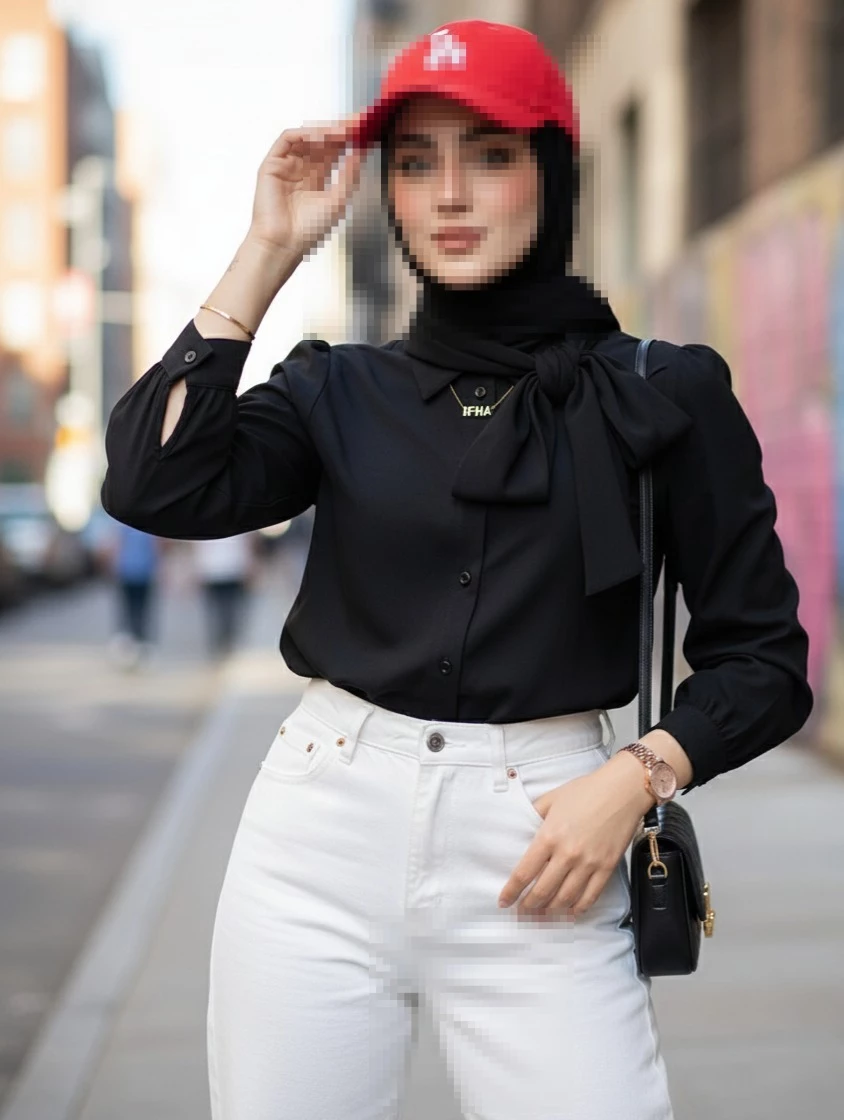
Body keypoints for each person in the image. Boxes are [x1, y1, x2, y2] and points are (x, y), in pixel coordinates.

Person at [99, 20, 813, 1120]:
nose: (449, 194)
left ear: (552, 173)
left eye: (490, 154)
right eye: (417, 161)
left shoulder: (661, 391)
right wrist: (269, 248)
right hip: (315, 843)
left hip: (551, 844)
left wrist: (636, 778)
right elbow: (153, 479)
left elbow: (763, 658)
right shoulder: (336, 389)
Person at [103, 514, 161, 670]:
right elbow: (157, 547)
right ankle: (139, 648)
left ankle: (131, 648)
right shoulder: (149, 523)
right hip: (141, 573)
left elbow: (115, 546)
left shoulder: (122, 523)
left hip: (129, 572)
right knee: (141, 612)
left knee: (128, 612)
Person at [191, 533, 258, 657]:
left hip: (231, 568)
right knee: (218, 609)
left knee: (229, 608)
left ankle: (226, 639)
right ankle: (221, 640)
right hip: (213, 570)